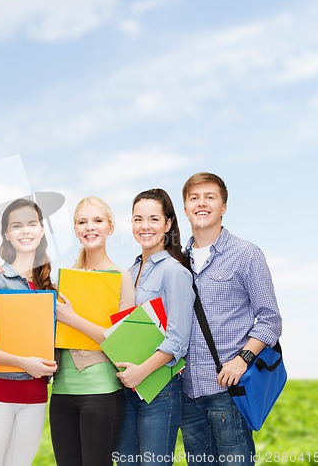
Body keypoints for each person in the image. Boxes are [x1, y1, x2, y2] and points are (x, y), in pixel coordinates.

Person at [180, 172, 282, 466]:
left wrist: (242, 359)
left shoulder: (247, 255)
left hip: (229, 391)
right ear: (185, 207)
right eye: (194, 198)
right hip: (188, 393)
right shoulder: (177, 261)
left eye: (210, 197)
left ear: (223, 206)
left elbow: (270, 319)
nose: (202, 204)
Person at [0, 198, 58, 466]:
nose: (25, 231)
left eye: (32, 224)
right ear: (6, 234)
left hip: (37, 398)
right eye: (17, 226)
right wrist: (21, 362)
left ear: (41, 230)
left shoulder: (52, 289)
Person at [50, 196, 135, 466]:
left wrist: (72, 318)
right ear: (75, 229)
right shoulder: (62, 281)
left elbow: (122, 342)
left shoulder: (122, 278)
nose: (90, 227)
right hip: (61, 393)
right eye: (82, 222)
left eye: (97, 221)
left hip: (101, 392)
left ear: (110, 227)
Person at [114, 188, 195, 465]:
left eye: (153, 219)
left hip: (160, 390)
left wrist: (141, 373)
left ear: (168, 223)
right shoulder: (129, 272)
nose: (144, 226)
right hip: (127, 388)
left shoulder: (175, 272)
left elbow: (177, 340)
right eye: (138, 219)